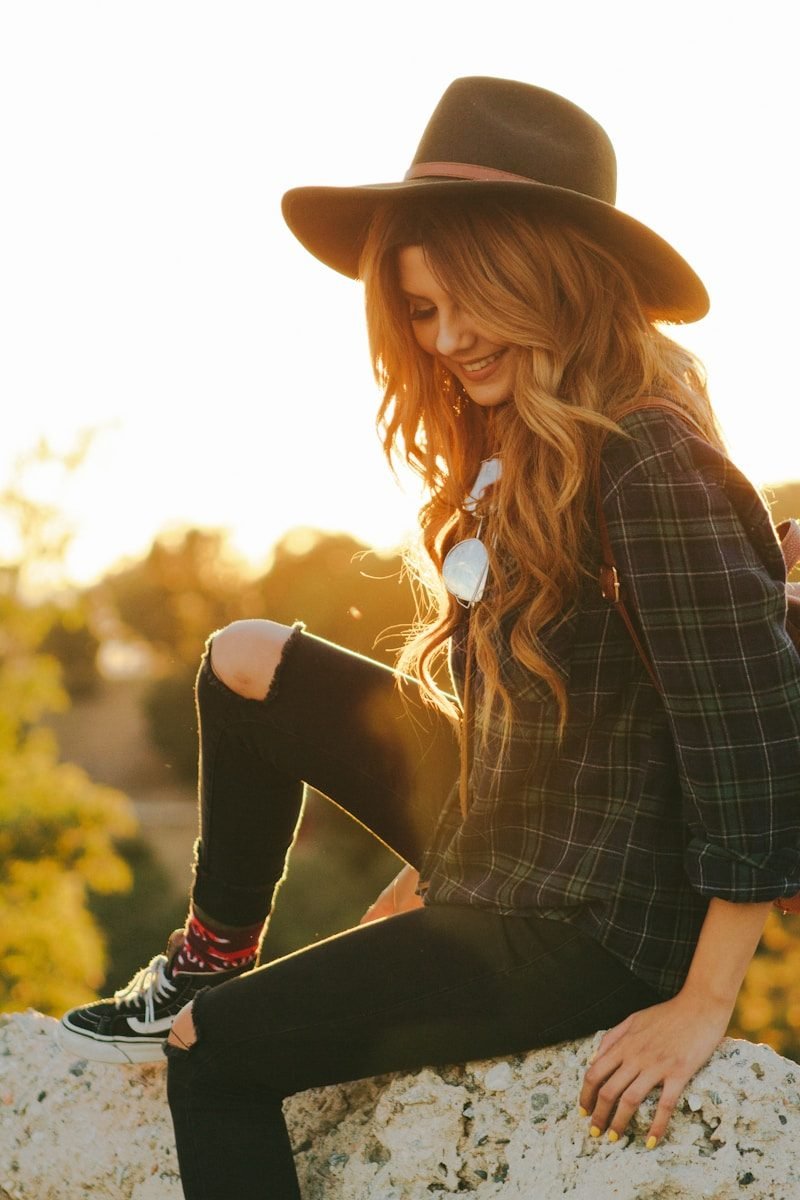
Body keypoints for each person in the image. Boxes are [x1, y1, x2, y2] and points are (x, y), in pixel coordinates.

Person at [59, 77, 800, 1198]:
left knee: (213, 1061)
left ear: (555, 279)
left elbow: (751, 748)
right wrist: (425, 874)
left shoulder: (651, 459)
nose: (445, 339)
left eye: (472, 301)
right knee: (247, 657)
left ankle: (210, 1009)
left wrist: (699, 1005)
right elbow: (518, 711)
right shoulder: (523, 443)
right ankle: (210, 951)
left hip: (592, 916)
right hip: (526, 833)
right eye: (417, 308)